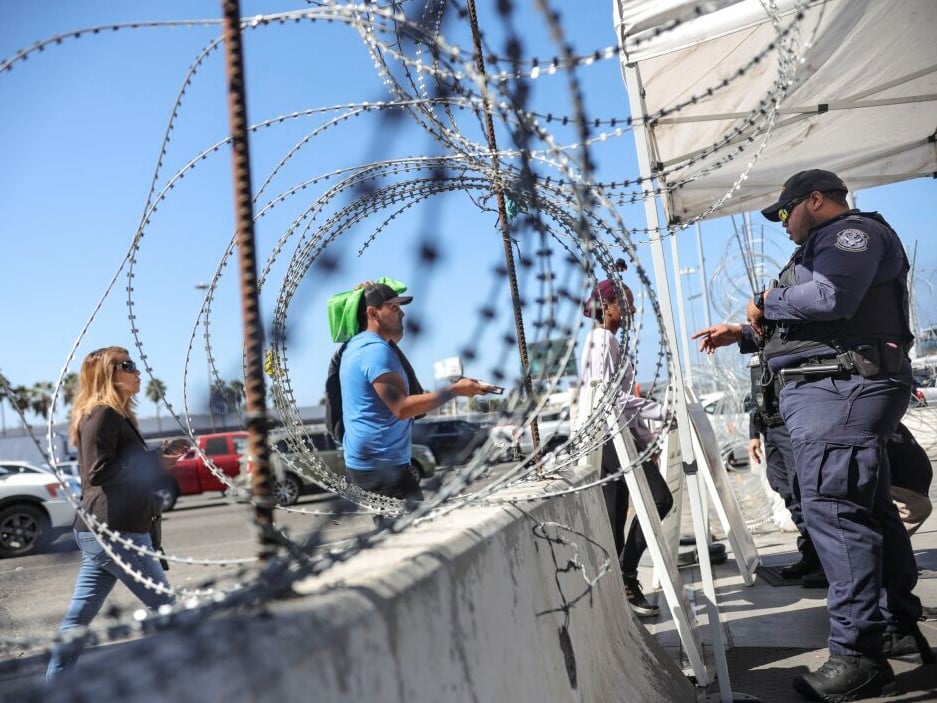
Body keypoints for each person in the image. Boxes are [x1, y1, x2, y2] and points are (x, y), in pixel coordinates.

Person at [692, 169, 932, 700]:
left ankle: (856, 656)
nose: (781, 224)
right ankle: (894, 628)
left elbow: (830, 299)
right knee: (865, 508)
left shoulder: (851, 235)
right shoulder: (820, 245)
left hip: (842, 390)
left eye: (784, 213)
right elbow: (817, 322)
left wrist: (763, 301)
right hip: (831, 389)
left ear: (815, 201)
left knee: (836, 513)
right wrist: (746, 331)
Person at [46, 346, 189, 682]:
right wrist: (152, 460)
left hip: (109, 528)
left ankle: (54, 687)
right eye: (127, 365)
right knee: (166, 607)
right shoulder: (102, 413)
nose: (136, 371)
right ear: (106, 375)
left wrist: (157, 455)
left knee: (77, 620)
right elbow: (98, 471)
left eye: (134, 363)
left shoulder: (115, 414)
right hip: (114, 531)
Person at [339, 282, 495, 502]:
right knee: (415, 530)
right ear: (372, 313)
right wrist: (455, 390)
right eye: (393, 307)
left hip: (372, 463)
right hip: (382, 467)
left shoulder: (357, 345)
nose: (402, 313)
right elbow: (401, 408)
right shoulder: (374, 352)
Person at [579, 279, 673, 618]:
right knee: (657, 500)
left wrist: (647, 441)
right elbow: (610, 399)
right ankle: (626, 575)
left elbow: (619, 404)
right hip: (608, 437)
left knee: (617, 516)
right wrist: (660, 412)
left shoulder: (609, 341)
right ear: (608, 307)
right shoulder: (601, 341)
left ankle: (622, 585)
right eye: (627, 303)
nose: (632, 310)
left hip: (617, 435)